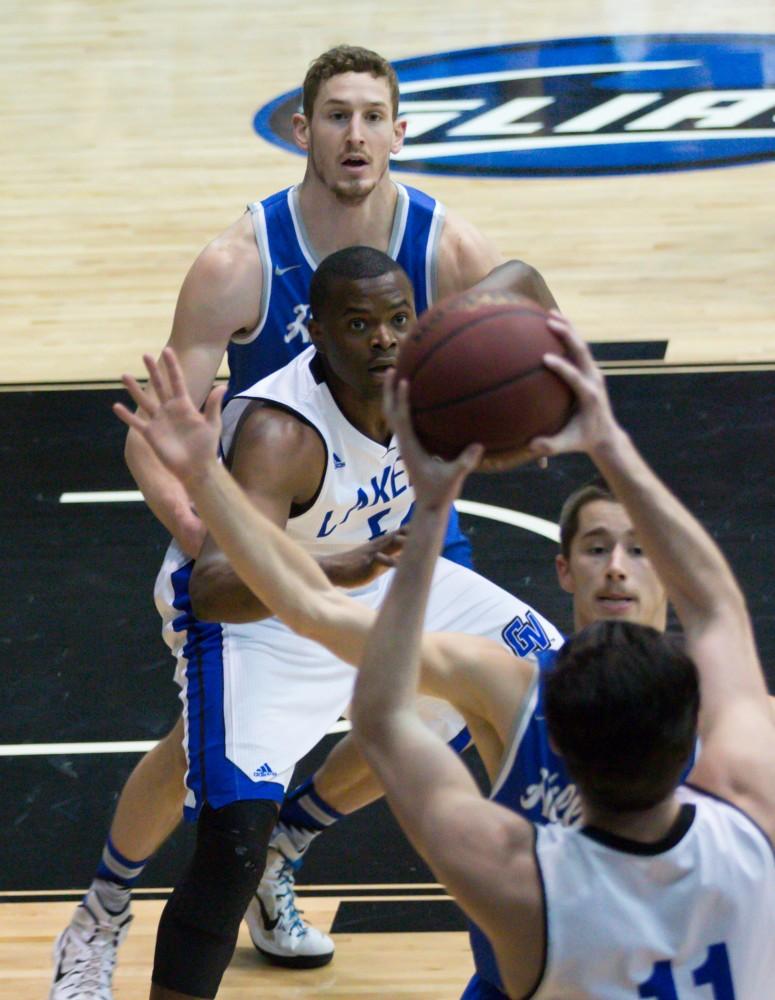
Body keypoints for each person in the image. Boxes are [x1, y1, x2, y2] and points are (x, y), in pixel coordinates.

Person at [50, 43, 560, 998]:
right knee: (202, 768)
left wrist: (529, 409)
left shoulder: (446, 249)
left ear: (400, 132)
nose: (355, 134)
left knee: (463, 697)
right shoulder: (240, 261)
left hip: (392, 524)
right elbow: (159, 438)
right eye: (336, 115)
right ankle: (105, 911)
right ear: (302, 128)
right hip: (264, 529)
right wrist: (232, 543)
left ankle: (294, 842)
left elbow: (525, 310)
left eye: (373, 116)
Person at [114, 313, 775, 999]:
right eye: (598, 547)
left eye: (636, 549)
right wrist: (611, 444)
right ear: (689, 742)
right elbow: (719, 609)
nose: (616, 569)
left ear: (567, 742)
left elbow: (340, 651)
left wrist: (211, 480)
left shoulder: (520, 882)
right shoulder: (752, 806)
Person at [116, 247, 563, 999]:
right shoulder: (278, 432)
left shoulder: (422, 360)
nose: (385, 339)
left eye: (398, 319)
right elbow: (216, 589)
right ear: (316, 333)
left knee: (548, 679)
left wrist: (561, 389)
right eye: (360, 325)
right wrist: (337, 569)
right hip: (263, 606)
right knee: (230, 847)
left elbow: (520, 278)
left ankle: (301, 837)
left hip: (374, 577)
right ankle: (207, 874)